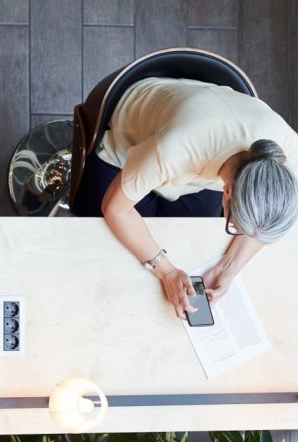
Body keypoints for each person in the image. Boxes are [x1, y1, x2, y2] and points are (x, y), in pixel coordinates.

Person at [71, 77, 298, 319]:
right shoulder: (175, 150)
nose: (240, 233)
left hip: (194, 169)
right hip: (129, 149)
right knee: (108, 248)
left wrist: (228, 268)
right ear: (228, 192)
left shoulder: (290, 157)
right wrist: (167, 272)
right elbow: (116, 209)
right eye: (236, 226)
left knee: (188, 243)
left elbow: (264, 223)